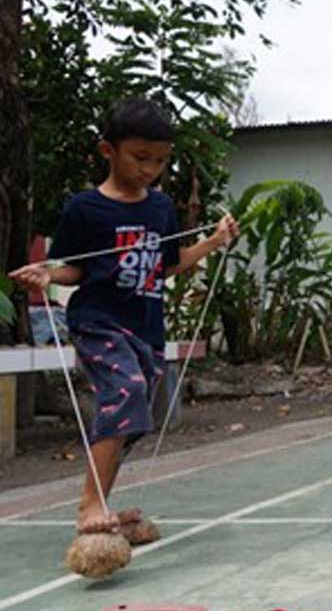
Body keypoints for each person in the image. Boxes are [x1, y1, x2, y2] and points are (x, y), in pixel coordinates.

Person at [9, 97, 238, 539]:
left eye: (160, 161)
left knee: (133, 418)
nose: (150, 169)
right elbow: (75, 269)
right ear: (107, 151)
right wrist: (47, 274)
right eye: (140, 157)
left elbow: (167, 265)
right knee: (126, 391)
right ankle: (90, 505)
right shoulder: (85, 208)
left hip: (146, 329)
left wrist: (213, 241)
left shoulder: (161, 209)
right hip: (99, 322)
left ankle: (102, 505)